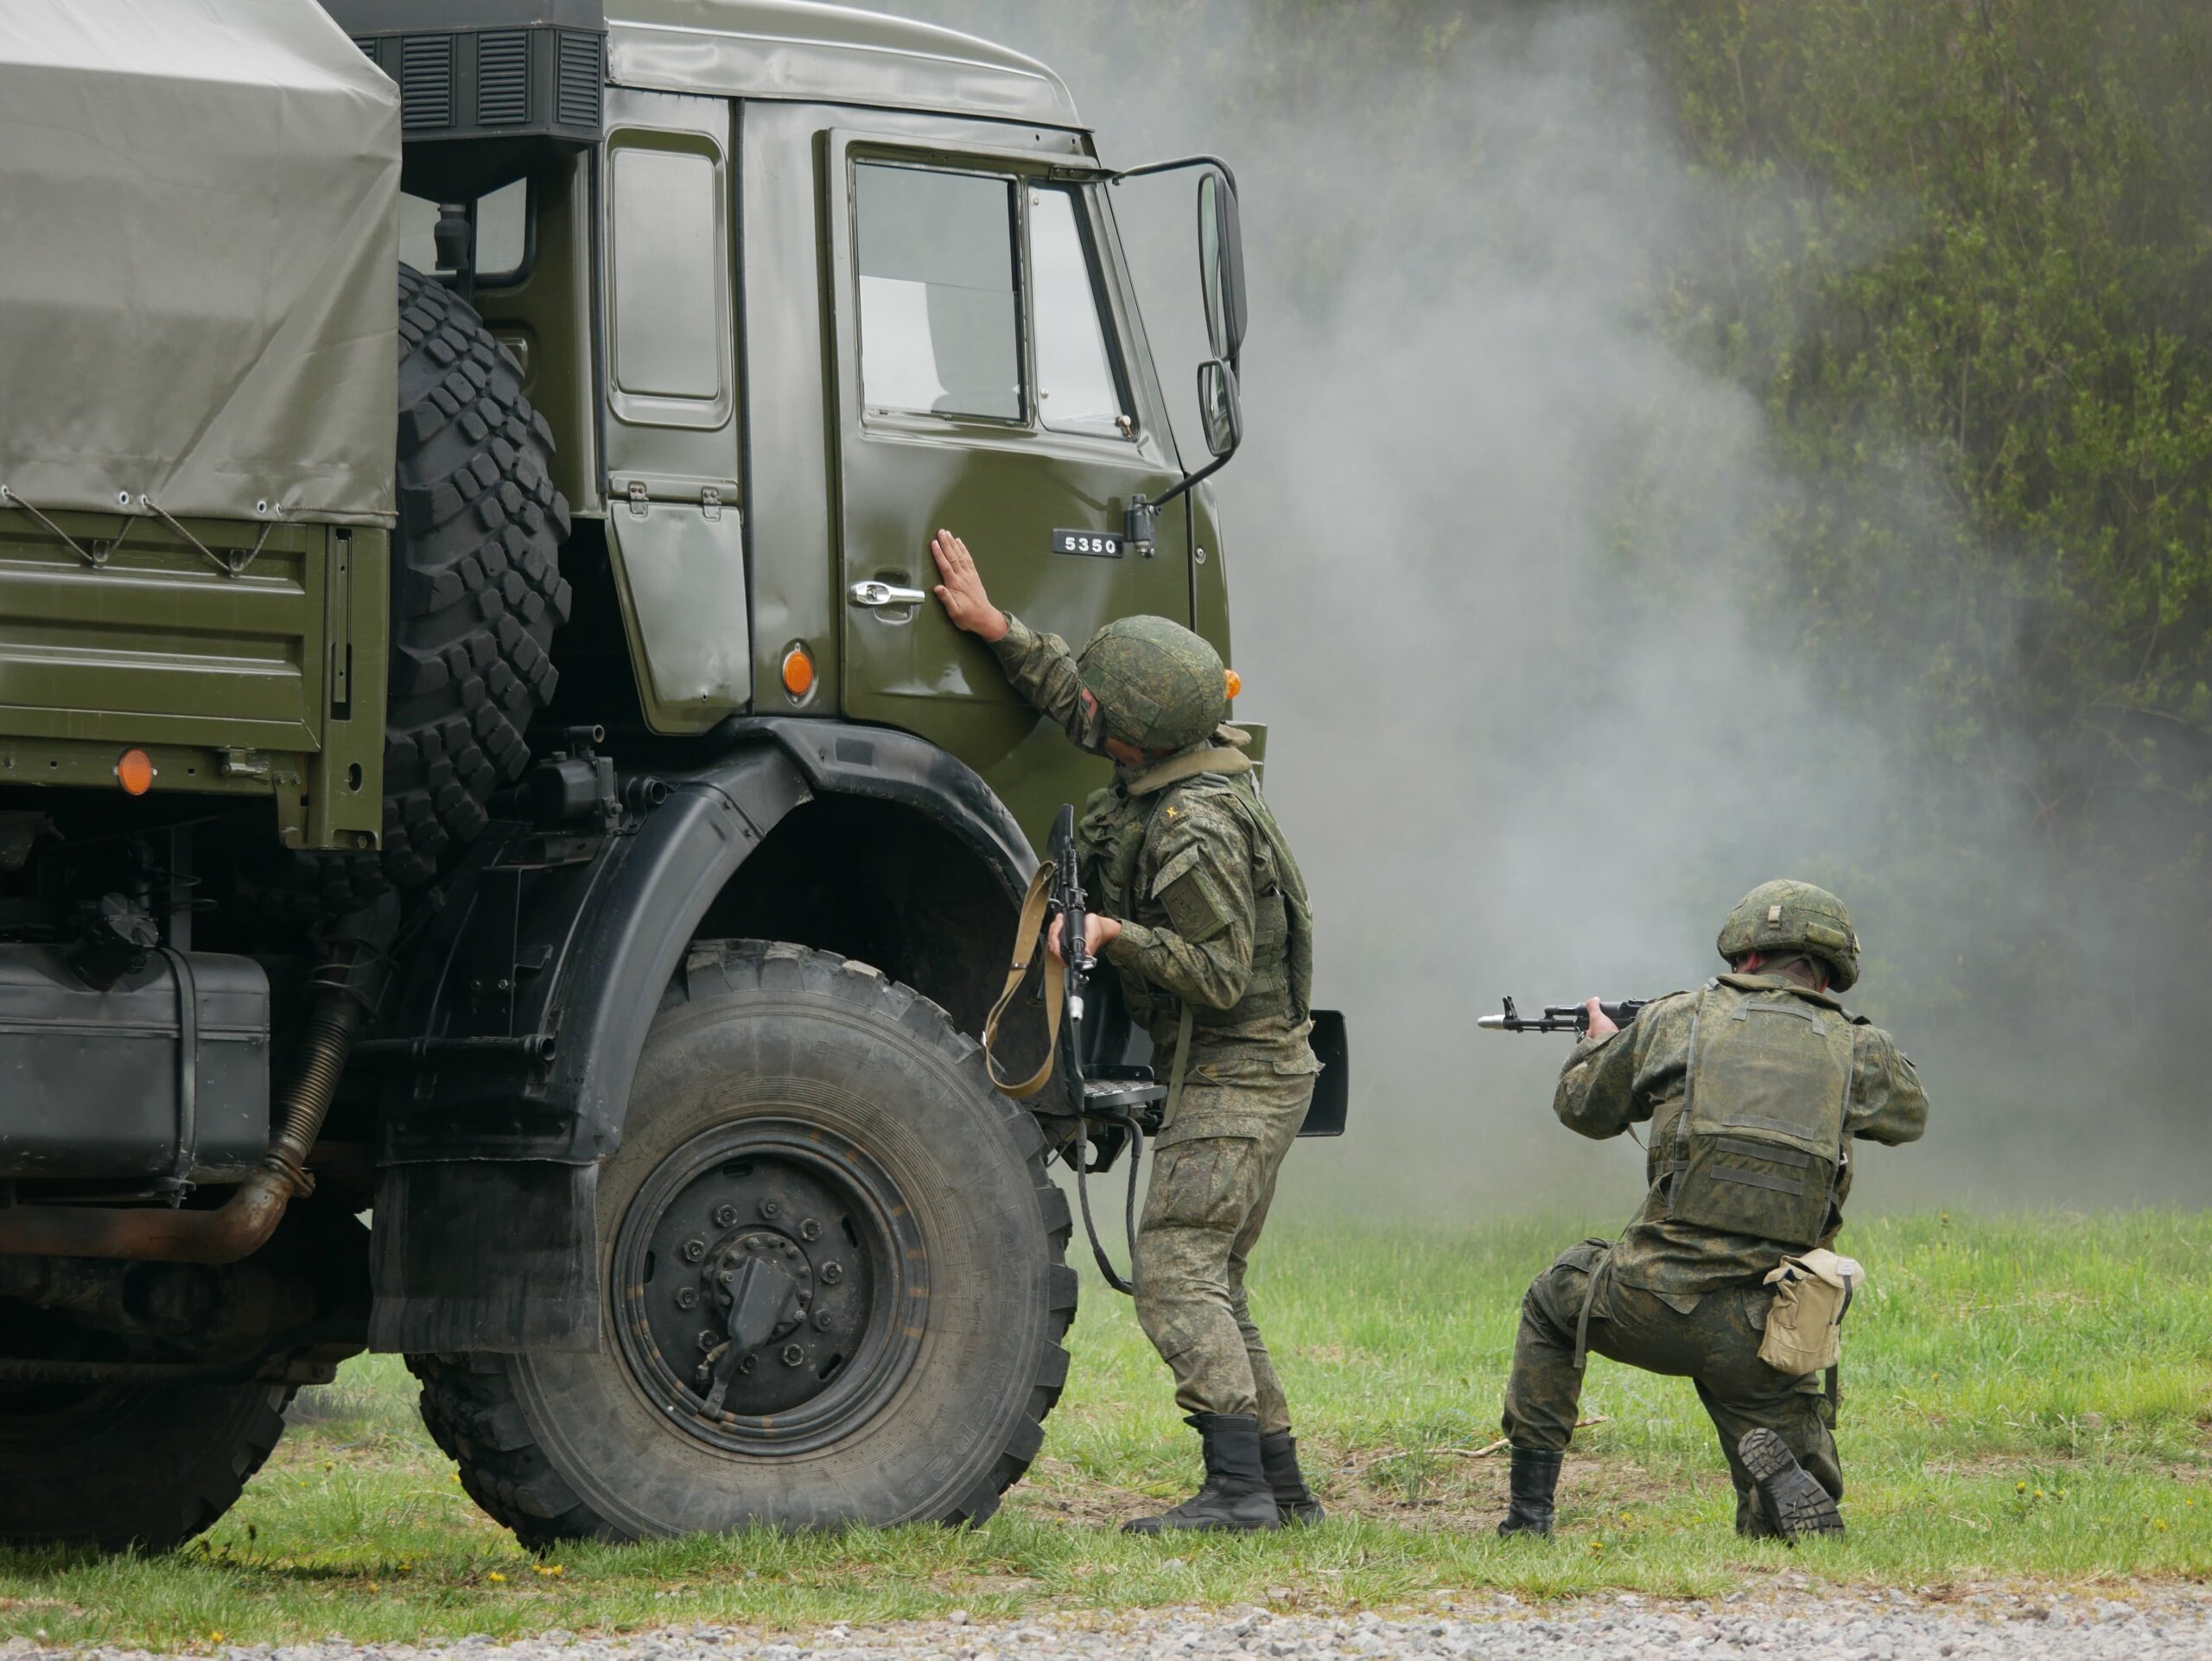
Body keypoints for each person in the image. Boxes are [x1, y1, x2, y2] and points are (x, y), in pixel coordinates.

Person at [930, 528, 1324, 1534]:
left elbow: (1220, 972)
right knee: (1214, 1274)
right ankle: (1278, 1487)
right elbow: (1082, 697)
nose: (1089, 713)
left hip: (1241, 1069)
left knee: (1177, 1272)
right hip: (1248, 1069)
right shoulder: (1175, 758)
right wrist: (993, 626)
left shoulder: (1193, 825)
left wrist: (1111, 931)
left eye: (1107, 711)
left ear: (1139, 736)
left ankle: (1239, 1492)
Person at [1496, 881, 1929, 1541]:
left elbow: (1582, 1109)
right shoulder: (1859, 1051)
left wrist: (1599, 1043)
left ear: (1747, 954)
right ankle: (1781, 1493)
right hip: (1766, 1328)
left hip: (1646, 1305)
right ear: (1829, 970)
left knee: (1556, 1300)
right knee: (1773, 1419)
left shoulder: (1677, 1020)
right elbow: (1910, 1116)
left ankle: (1528, 1521)